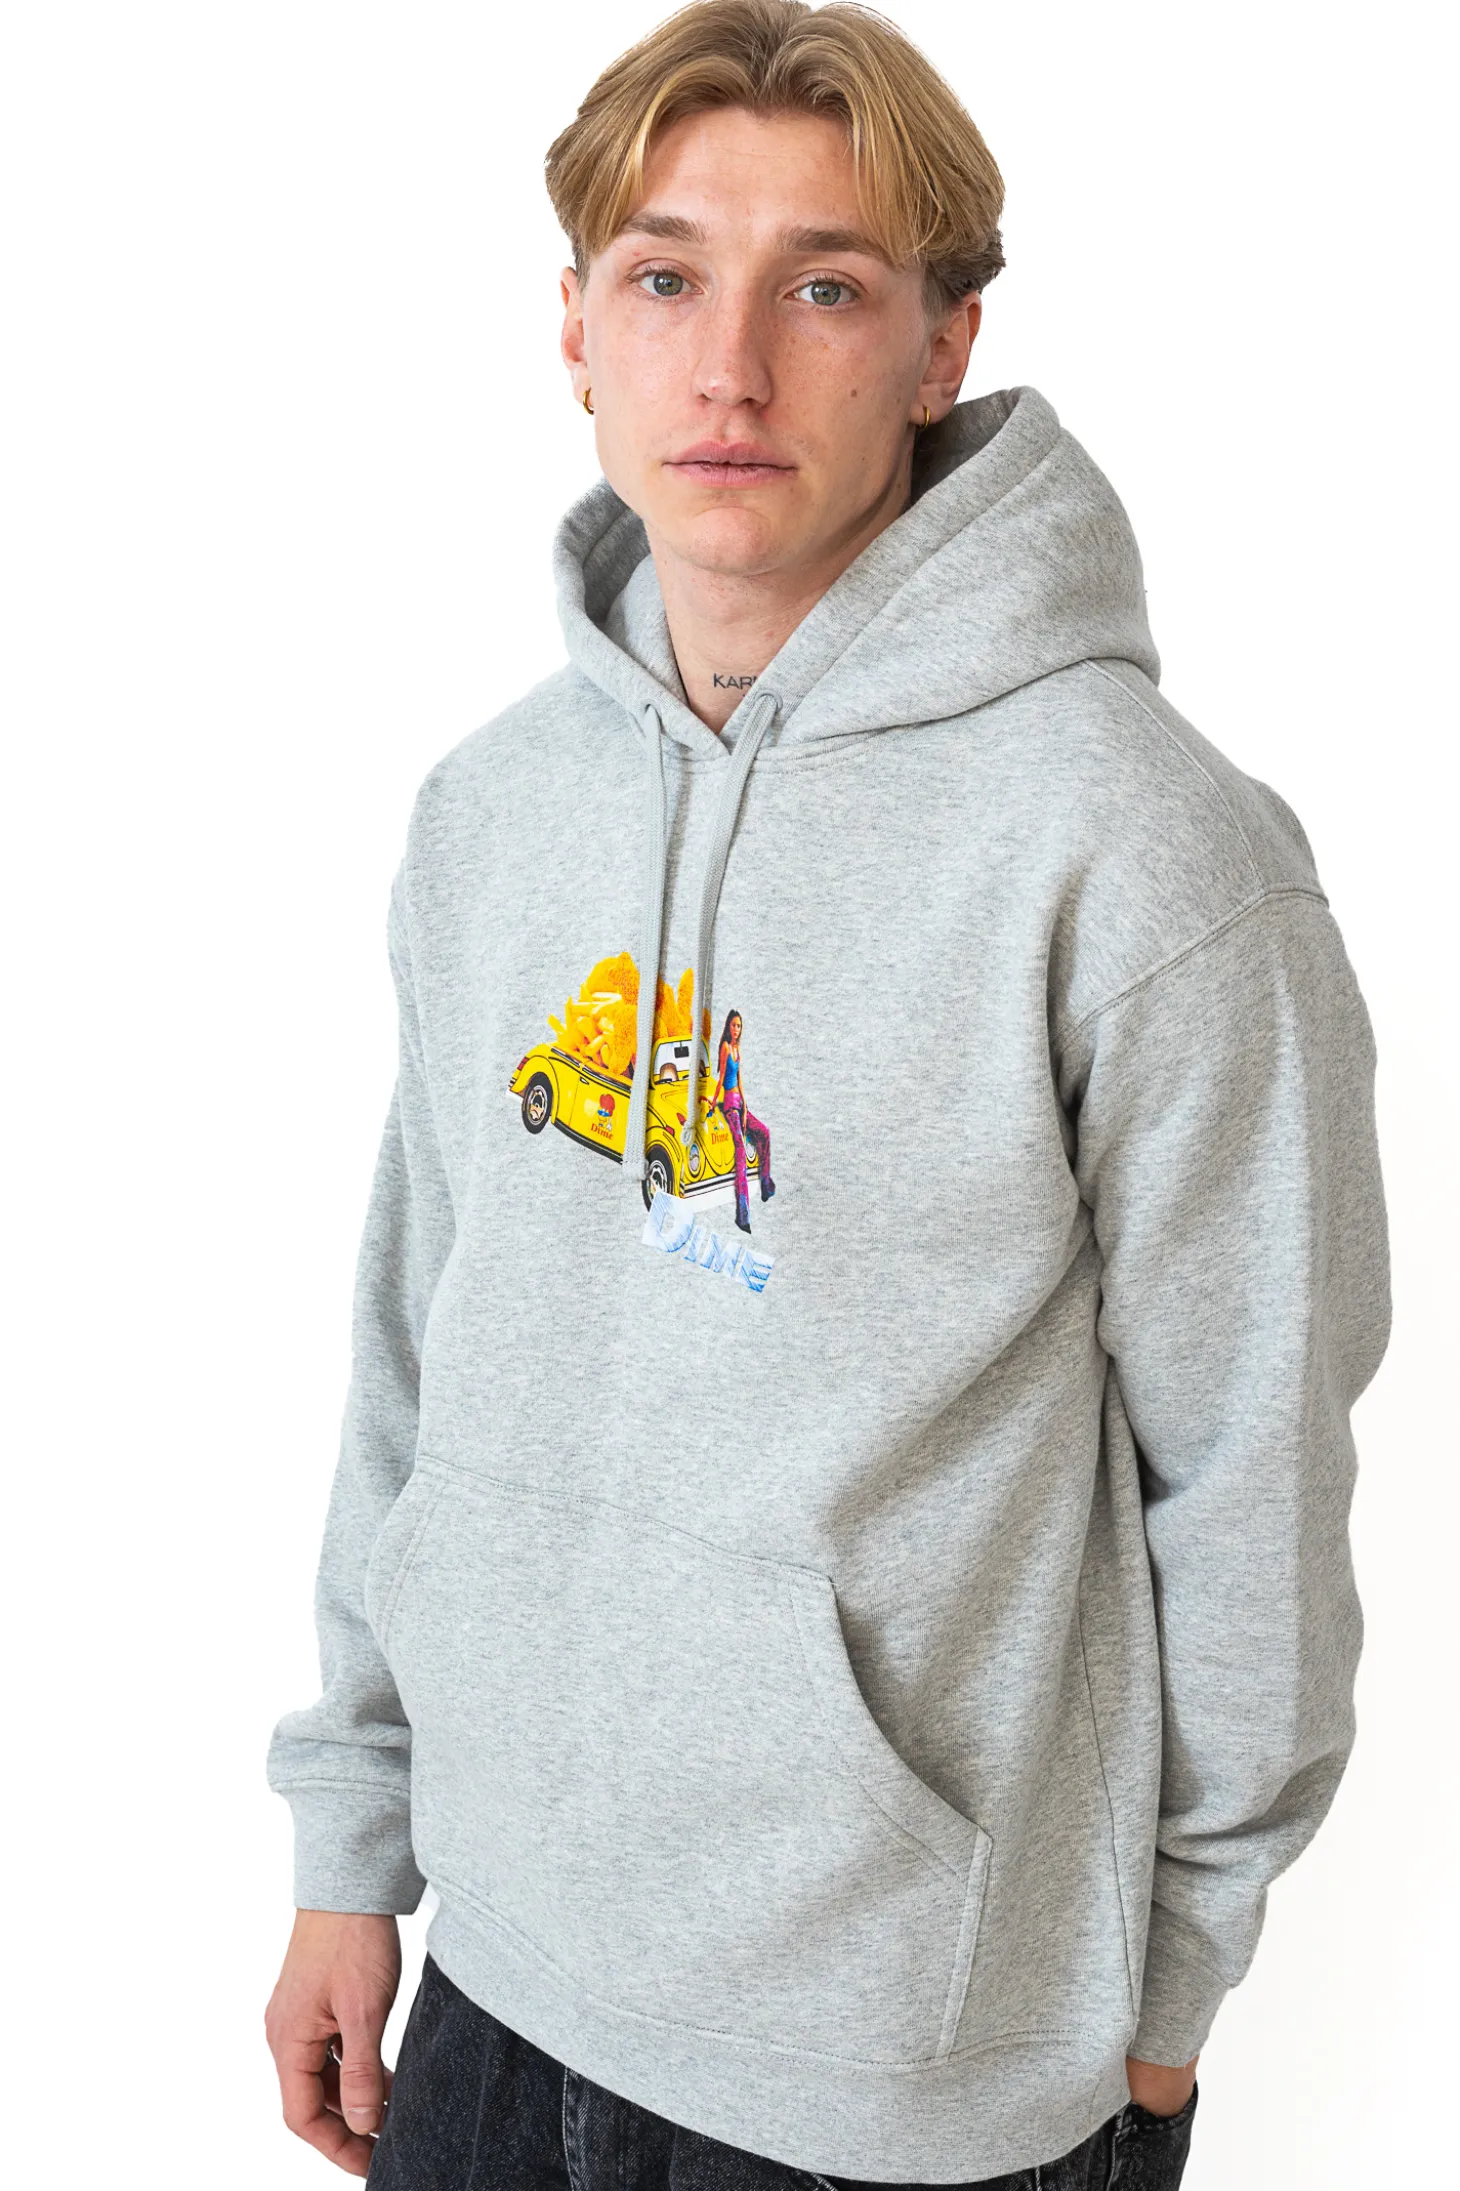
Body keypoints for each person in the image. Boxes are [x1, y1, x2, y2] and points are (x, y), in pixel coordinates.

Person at [263, 3, 1391, 2186]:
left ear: (945, 342)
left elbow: (1253, 1462)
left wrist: (1161, 2016)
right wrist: (353, 1837)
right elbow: (418, 1349)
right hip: (493, 1981)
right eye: (664, 277)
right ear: (573, 331)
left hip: (907, 2070)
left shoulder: (1142, 850)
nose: (730, 368)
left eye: (828, 287)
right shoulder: (494, 812)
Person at [711, 1006, 775, 1230]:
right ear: (728, 1026)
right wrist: (713, 1103)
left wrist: (746, 1107)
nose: (736, 1029)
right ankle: (743, 1213)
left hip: (740, 1104)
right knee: (740, 1152)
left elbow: (739, 1080)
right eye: (733, 1025)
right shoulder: (725, 1048)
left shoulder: (738, 1049)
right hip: (730, 1105)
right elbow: (722, 1080)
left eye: (739, 1026)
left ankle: (766, 1184)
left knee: (764, 1133)